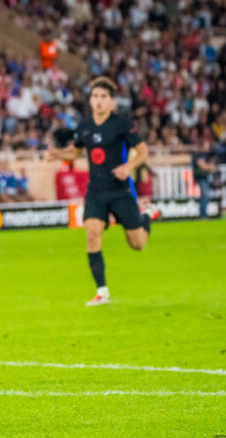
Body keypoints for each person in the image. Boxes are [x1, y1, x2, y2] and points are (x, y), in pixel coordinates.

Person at [47, 77, 158, 306]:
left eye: (103, 97)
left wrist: (128, 167)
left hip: (120, 191)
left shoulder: (122, 124)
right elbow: (75, 153)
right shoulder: (85, 126)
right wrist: (57, 154)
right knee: (92, 235)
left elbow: (143, 151)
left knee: (137, 244)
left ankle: (147, 214)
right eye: (95, 96)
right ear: (90, 100)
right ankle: (102, 291)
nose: (98, 101)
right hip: (96, 192)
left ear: (111, 101)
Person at [192, 138, 219, 219]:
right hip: (200, 177)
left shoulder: (209, 154)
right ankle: (203, 215)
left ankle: (204, 214)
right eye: (206, 145)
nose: (207, 147)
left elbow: (213, 166)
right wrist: (209, 167)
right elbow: (203, 166)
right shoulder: (197, 154)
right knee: (205, 195)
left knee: (206, 196)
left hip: (206, 177)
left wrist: (209, 167)